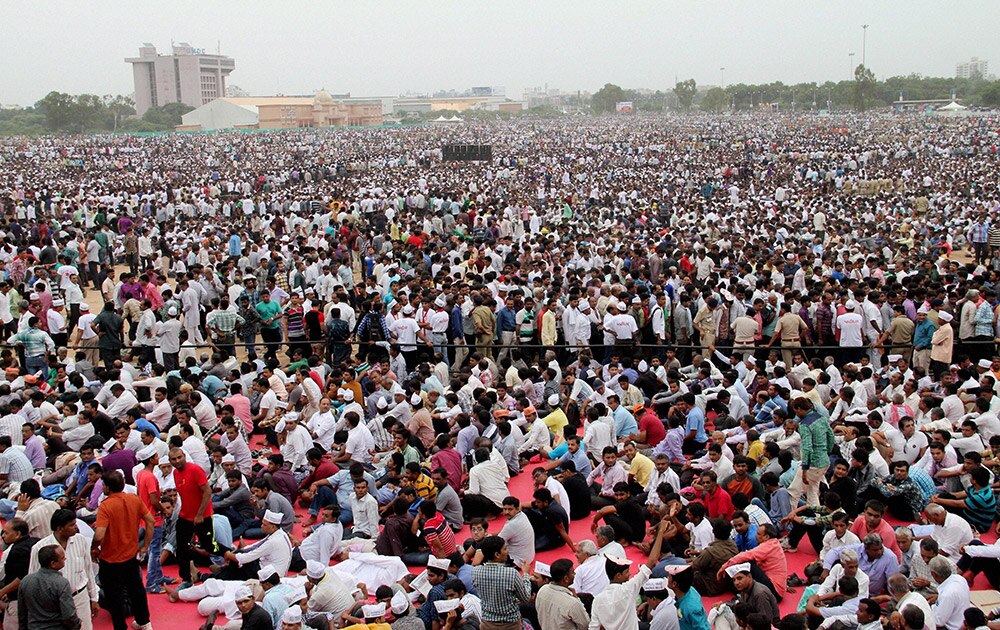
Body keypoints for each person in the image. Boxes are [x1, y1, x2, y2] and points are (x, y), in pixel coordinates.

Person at [91, 470, 154, 630]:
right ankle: (144, 622)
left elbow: (99, 535)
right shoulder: (134, 499)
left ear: (106, 487)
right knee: (137, 591)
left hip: (110, 560)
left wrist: (93, 548)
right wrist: (145, 545)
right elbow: (150, 521)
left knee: (114, 597)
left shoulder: (105, 506)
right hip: (131, 556)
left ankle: (121, 627)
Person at [28, 509, 98, 630]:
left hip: (80, 597)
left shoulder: (80, 540)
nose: (76, 527)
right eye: (71, 525)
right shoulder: (39, 548)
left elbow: (88, 570)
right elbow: (33, 579)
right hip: (53, 604)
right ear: (59, 528)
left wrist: (93, 598)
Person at [168, 447, 214, 589]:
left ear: (184, 457)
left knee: (210, 546)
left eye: (179, 457)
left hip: (203, 517)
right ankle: (186, 579)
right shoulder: (175, 473)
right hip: (185, 517)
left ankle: (231, 556)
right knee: (181, 548)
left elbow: (207, 491)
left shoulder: (195, 470)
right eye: (174, 459)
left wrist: (200, 514)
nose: (177, 461)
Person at [471, 535, 531, 630]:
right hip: (510, 625)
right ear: (497, 554)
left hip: (487, 624)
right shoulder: (512, 574)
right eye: (505, 549)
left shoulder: (475, 572)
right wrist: (526, 575)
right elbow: (526, 597)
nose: (507, 551)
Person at [17, 544, 81, 630]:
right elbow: (69, 615)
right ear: (53, 564)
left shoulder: (26, 580)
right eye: (62, 558)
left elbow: (22, 612)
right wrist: (76, 625)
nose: (65, 559)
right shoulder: (61, 583)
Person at [534, 558, 589, 630]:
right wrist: (577, 598)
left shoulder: (542, 590)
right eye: (572, 572)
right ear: (566, 578)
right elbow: (586, 625)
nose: (575, 574)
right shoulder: (573, 603)